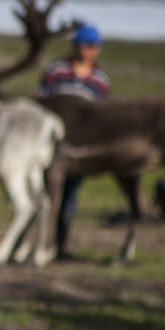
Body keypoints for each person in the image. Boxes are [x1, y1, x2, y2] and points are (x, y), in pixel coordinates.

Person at [38, 24, 110, 257]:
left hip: (79, 148)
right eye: (84, 44)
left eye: (93, 46)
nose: (88, 50)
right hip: (52, 145)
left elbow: (103, 114)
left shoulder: (100, 80)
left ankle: (63, 244)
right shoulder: (56, 71)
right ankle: (42, 243)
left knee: (70, 196)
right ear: (75, 45)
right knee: (45, 194)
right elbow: (40, 104)